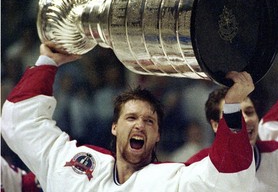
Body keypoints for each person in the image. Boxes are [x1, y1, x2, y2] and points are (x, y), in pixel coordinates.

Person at [1, 44, 256, 191]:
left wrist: (232, 107)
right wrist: (48, 61)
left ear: (157, 137)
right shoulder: (77, 164)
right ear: (114, 127)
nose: (139, 125)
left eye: (149, 121)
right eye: (131, 117)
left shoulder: (171, 182)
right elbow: (20, 124)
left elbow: (230, 182)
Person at [186, 87, 278, 192]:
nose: (246, 120)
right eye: (235, 115)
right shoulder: (198, 166)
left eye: (249, 112)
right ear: (216, 125)